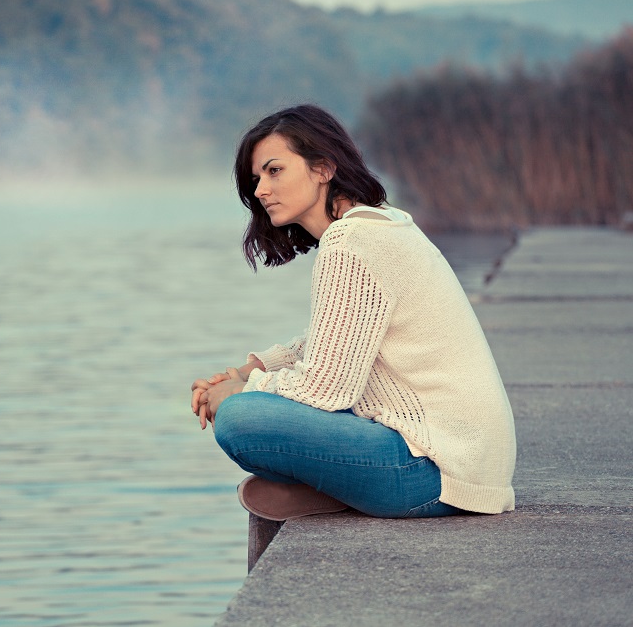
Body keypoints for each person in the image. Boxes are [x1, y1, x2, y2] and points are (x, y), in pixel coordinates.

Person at [190, 104, 516, 520]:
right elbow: (333, 341)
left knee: (239, 419)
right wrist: (246, 370)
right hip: (468, 463)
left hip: (435, 469)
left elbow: (326, 389)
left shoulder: (352, 242)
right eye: (256, 179)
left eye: (274, 171)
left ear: (323, 168)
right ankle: (340, 490)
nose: (260, 191)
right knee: (253, 403)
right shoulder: (380, 224)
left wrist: (241, 391)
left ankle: (338, 488)